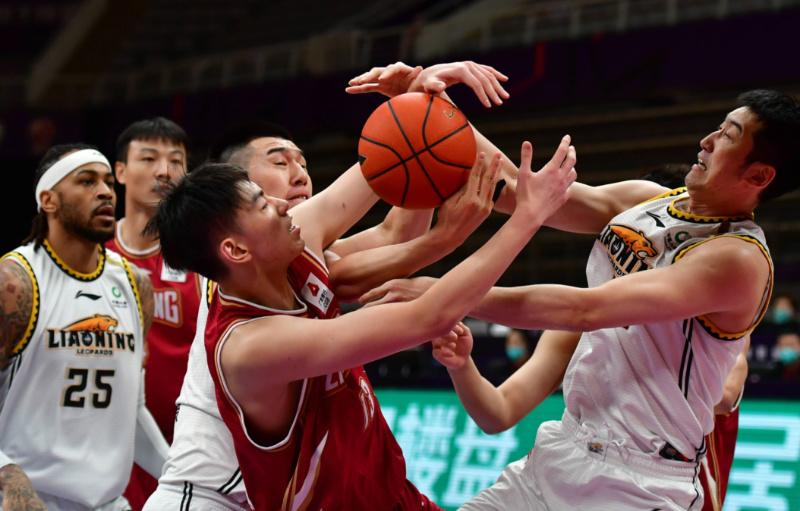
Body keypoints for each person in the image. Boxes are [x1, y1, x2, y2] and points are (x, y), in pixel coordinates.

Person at [363, 89, 800, 509]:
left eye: (726, 136)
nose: (706, 141)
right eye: (718, 127)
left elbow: (582, 309)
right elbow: (525, 193)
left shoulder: (737, 259)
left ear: (759, 175)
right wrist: (432, 109)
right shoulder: (651, 201)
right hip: (565, 446)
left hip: (637, 482)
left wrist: (443, 296)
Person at [145, 61, 518, 510]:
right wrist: (515, 220)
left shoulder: (289, 250)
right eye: (279, 164)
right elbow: (417, 294)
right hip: (213, 493)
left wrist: (415, 100)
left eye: (303, 162)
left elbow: (395, 216)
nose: (299, 177)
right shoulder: (243, 305)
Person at [0, 144, 163, 510]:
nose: (105, 191)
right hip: (23, 500)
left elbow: (132, 410)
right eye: (87, 182)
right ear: (49, 200)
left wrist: (178, 475)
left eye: (108, 182)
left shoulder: (136, 284)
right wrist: (7, 473)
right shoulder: (13, 282)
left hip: (108, 502)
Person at [107, 117, 199, 509]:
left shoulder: (206, 260)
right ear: (121, 172)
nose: (164, 171)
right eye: (149, 158)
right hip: (108, 456)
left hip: (191, 455)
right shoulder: (93, 259)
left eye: (176, 160)